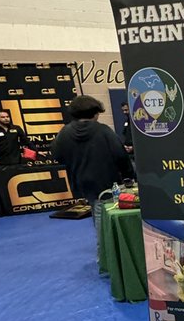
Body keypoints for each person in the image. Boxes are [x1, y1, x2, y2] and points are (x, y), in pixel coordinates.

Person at [51, 95, 130, 253]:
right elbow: (121, 155)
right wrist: (129, 177)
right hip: (106, 182)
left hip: (82, 183)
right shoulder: (103, 130)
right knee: (105, 220)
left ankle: (107, 253)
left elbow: (56, 155)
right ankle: (107, 256)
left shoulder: (64, 133)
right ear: (95, 113)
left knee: (97, 215)